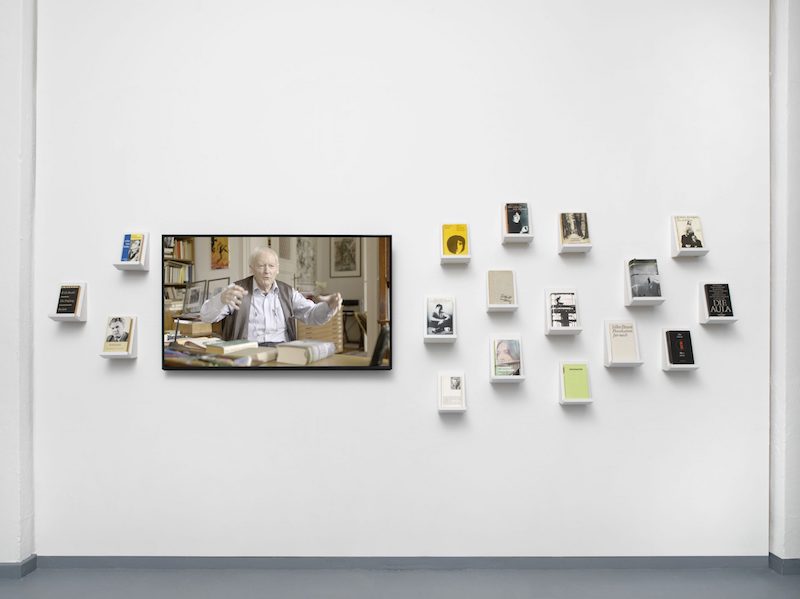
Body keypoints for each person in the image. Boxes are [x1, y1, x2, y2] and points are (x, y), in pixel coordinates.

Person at [200, 246, 342, 344]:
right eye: (261, 266)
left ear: (277, 270)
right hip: (246, 351)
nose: (267, 271)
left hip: (282, 351)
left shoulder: (288, 293)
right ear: (252, 269)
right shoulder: (236, 290)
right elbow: (205, 316)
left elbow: (312, 315)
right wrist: (220, 299)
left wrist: (328, 306)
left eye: (271, 266)